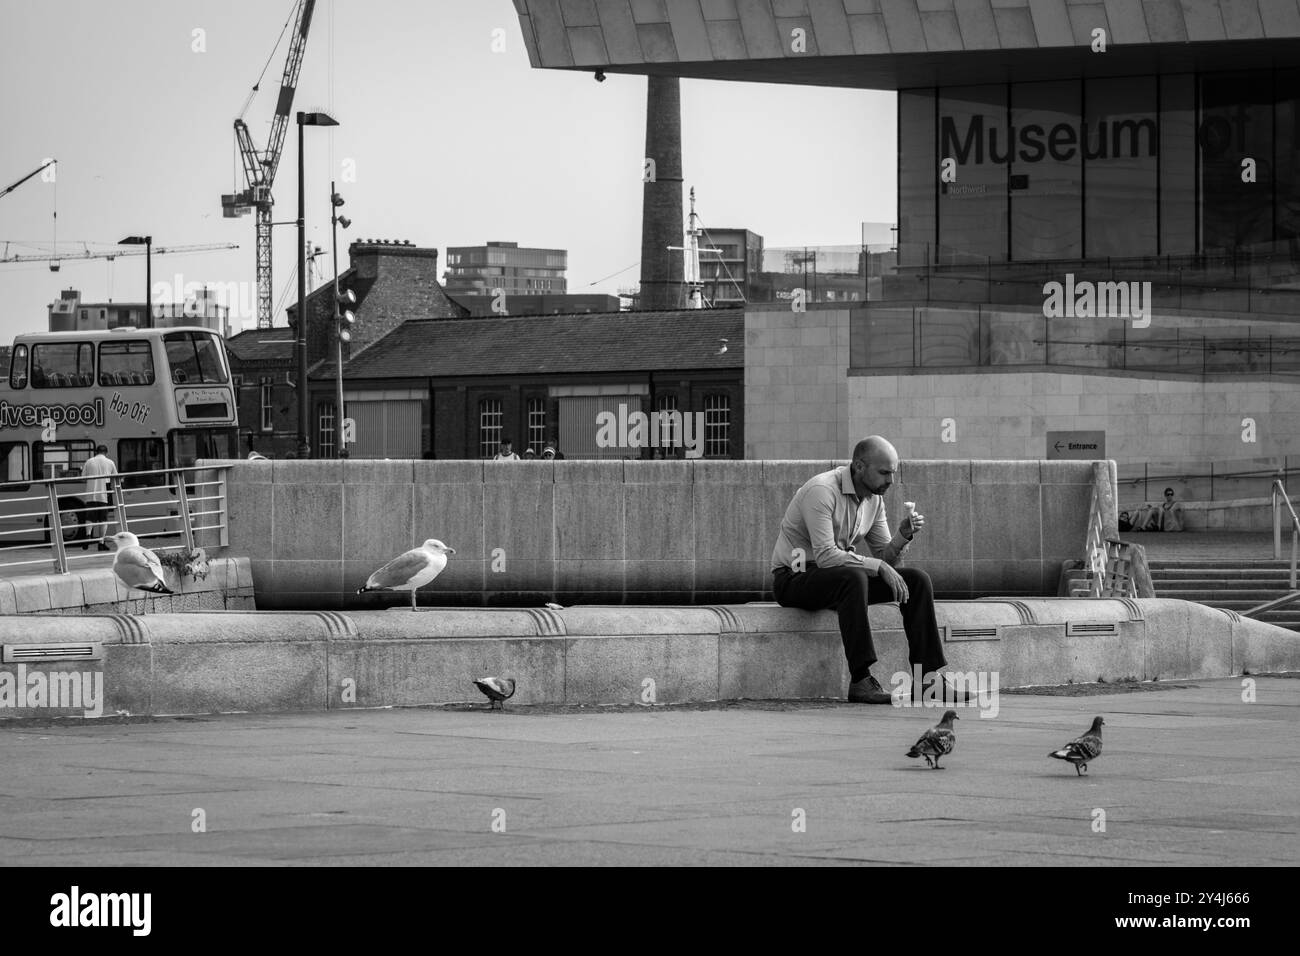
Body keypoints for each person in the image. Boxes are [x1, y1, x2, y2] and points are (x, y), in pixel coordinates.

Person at [770, 436, 971, 705]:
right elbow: (826, 556)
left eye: (893, 473)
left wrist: (902, 536)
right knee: (853, 577)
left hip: (838, 578)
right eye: (884, 473)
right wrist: (878, 566)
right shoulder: (822, 491)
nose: (891, 481)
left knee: (916, 580)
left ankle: (928, 680)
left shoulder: (874, 500)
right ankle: (861, 680)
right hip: (794, 577)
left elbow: (885, 558)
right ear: (859, 466)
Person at [80, 443, 118, 551]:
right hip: (104, 495)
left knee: (89, 518)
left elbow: (83, 478)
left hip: (90, 494)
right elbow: (115, 477)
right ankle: (101, 543)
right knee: (103, 519)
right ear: (106, 453)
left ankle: (87, 535)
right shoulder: (110, 462)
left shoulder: (89, 461)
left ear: (96, 452)